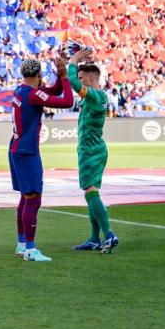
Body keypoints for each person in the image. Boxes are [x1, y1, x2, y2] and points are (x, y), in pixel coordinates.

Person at [9, 58, 74, 262]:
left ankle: (22, 244)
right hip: (27, 151)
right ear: (38, 75)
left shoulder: (20, 91)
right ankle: (30, 249)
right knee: (34, 198)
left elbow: (52, 92)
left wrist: (60, 76)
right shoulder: (34, 95)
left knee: (25, 198)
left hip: (15, 148)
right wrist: (64, 77)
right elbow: (67, 101)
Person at [67, 48, 119, 253]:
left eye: (82, 77)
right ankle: (94, 238)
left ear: (90, 77)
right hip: (91, 149)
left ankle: (108, 234)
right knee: (91, 193)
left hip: (91, 151)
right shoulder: (93, 97)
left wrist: (72, 62)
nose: (79, 81)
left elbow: (72, 84)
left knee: (91, 193)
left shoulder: (97, 96)